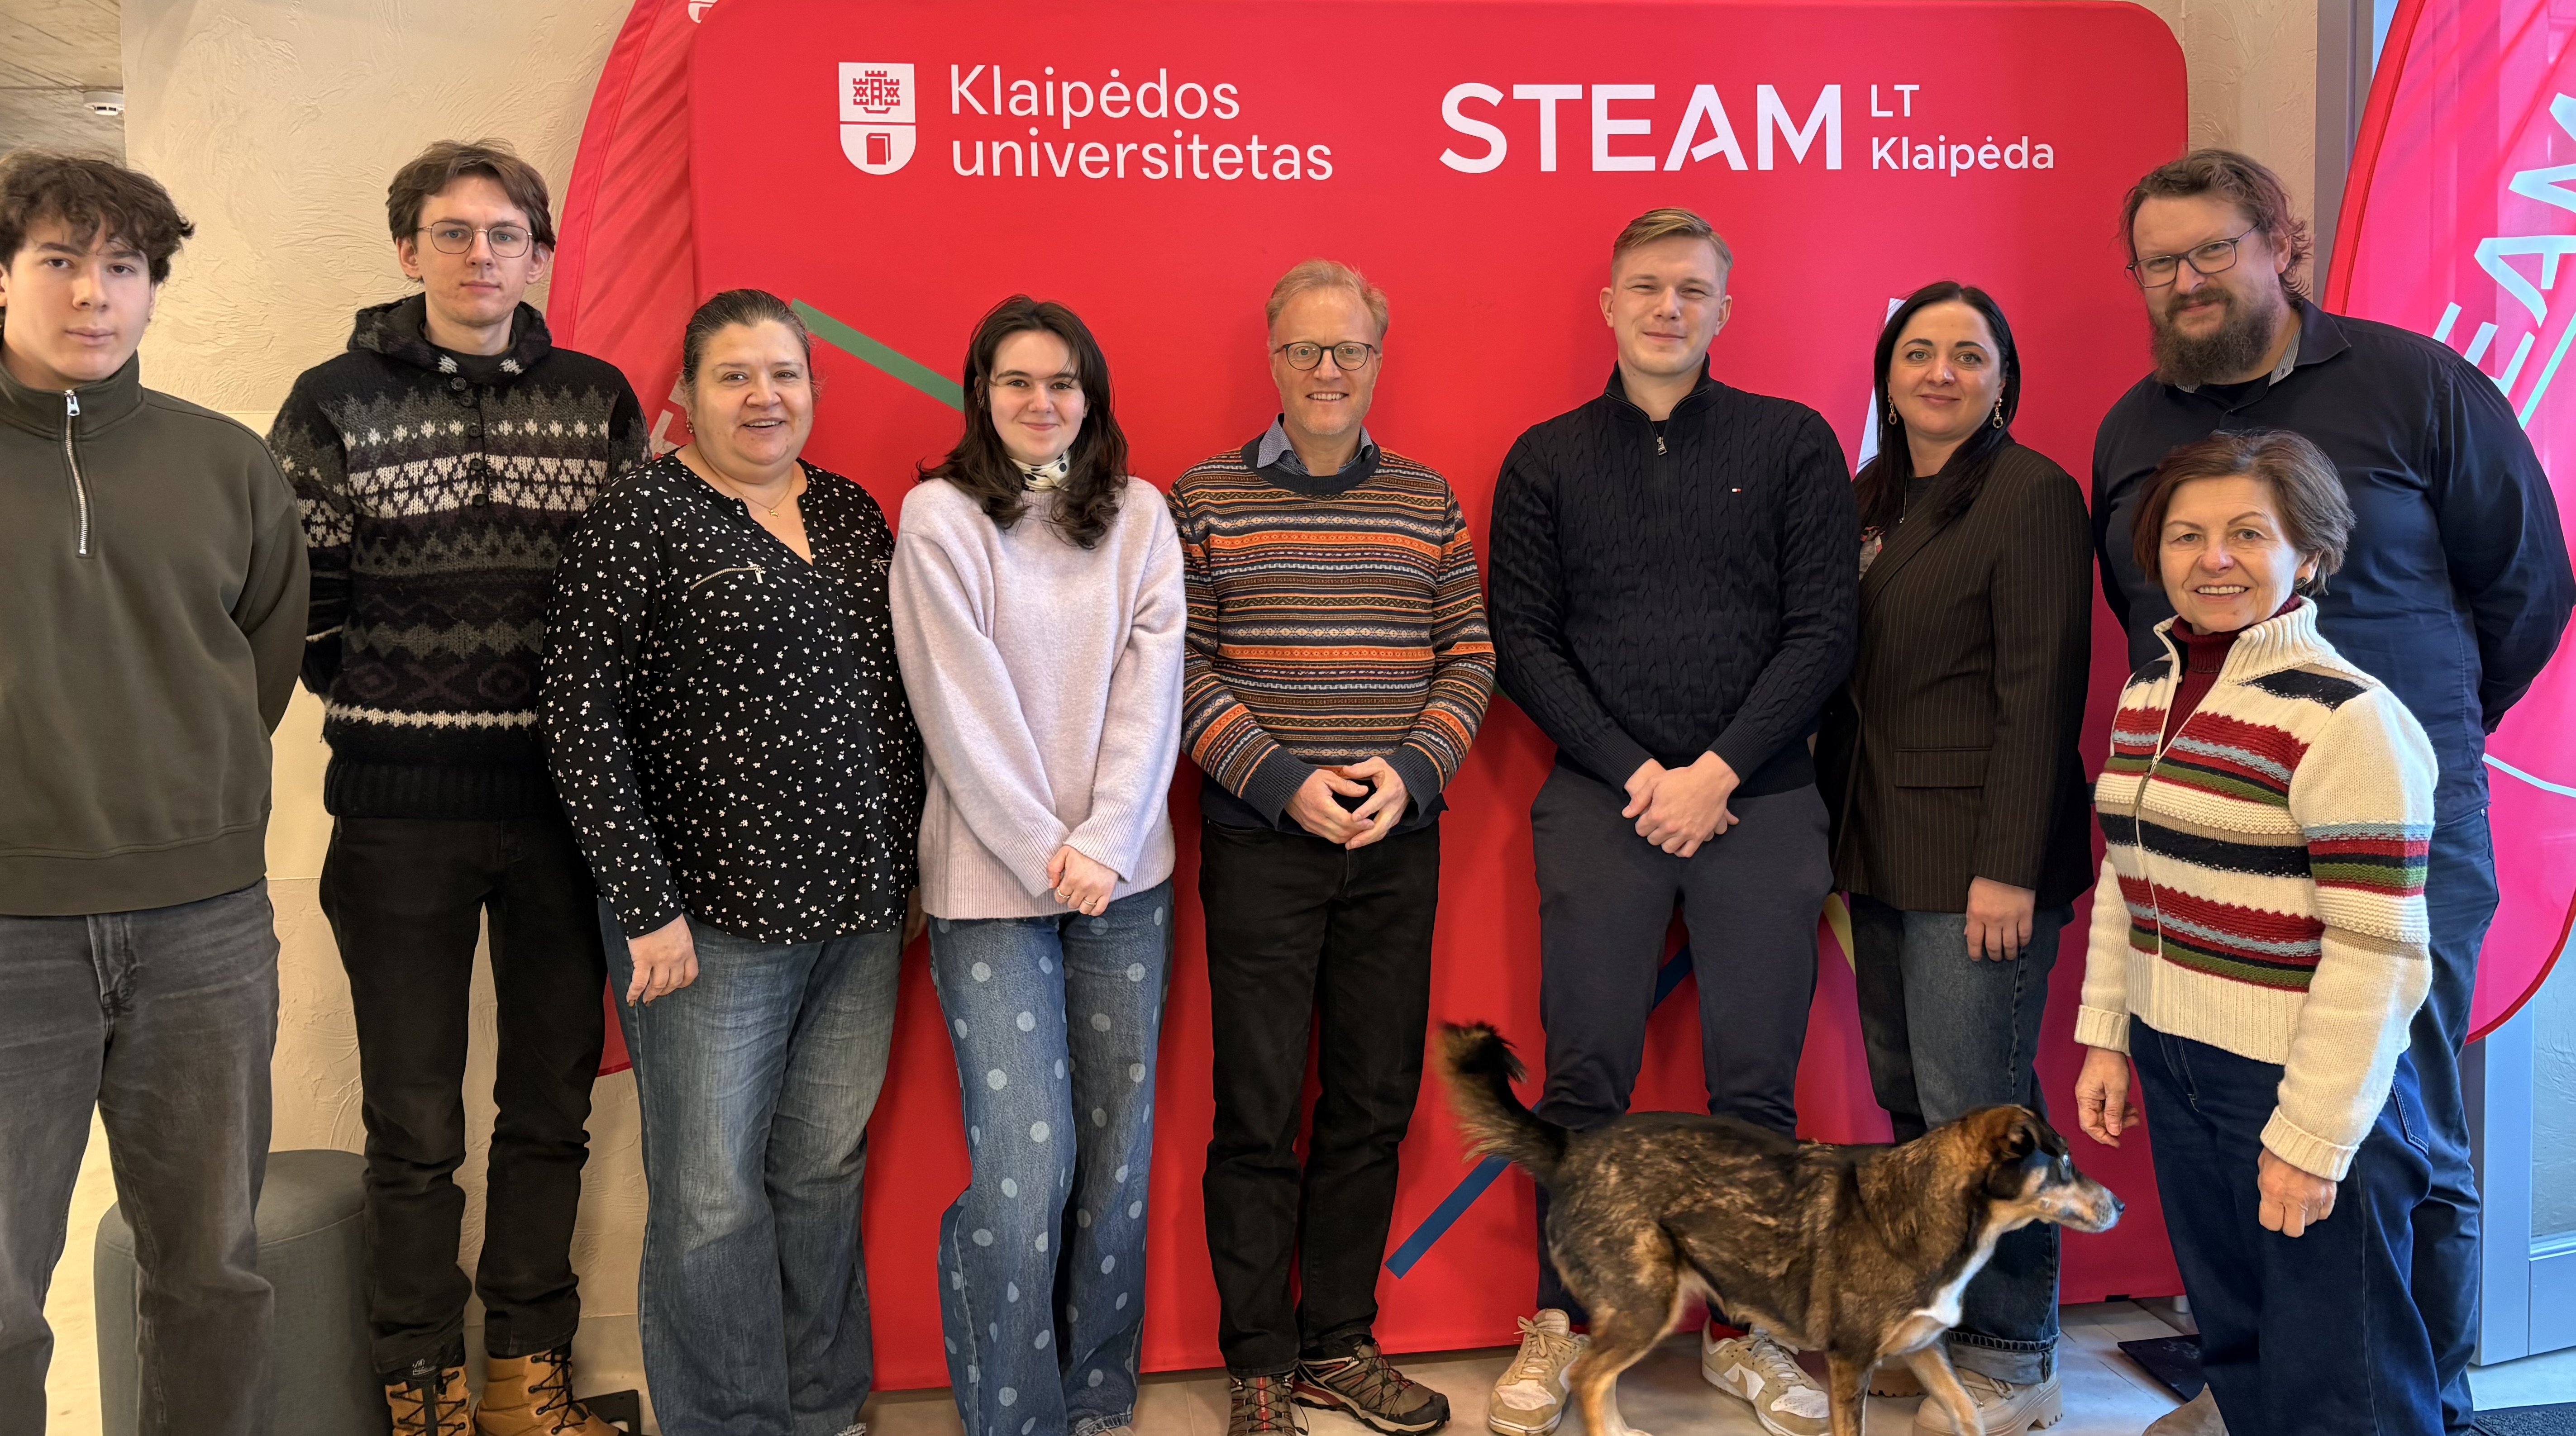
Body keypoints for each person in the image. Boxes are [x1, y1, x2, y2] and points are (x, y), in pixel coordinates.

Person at [2092, 148, 2575, 1436]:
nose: (2186, 280)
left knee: (2392, 1134)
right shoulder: (2133, 428)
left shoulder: (2417, 386)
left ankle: (2423, 1404)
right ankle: (2267, 1398)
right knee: (2234, 1145)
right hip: (2212, 840)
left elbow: (2526, 588)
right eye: (2158, 262)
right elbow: (2146, 622)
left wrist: (2415, 739)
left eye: (2212, 249)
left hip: (2394, 831)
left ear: (2281, 244)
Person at [267, 138, 647, 1436]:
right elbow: (300, 611)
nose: (480, 255)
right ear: (407, 249)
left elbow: (626, 603)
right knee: (414, 1121)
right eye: (452, 232)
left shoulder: (598, 400)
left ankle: (523, 1380)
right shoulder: (330, 402)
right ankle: (419, 1385)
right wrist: (405, 711)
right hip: (397, 813)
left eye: (504, 234)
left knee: (548, 1108)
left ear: (539, 254)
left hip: (563, 811)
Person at [1485, 206, 1858, 1436]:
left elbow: (1823, 631)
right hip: (1602, 799)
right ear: (1607, 304)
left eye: (1691, 289)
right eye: (1646, 286)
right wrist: (1640, 771)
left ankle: (1745, 1334)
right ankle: (1562, 1323)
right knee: (1583, 1076)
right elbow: (1522, 639)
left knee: (1753, 1084)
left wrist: (1717, 770)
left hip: (1762, 800)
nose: (1667, 308)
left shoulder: (1790, 442)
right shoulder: (1545, 458)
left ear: (1722, 309)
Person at [540, 288, 923, 1436]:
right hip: (705, 922)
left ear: (814, 387)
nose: (764, 397)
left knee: (821, 1172)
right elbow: (580, 720)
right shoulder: (640, 518)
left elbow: (899, 699)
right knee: (710, 1197)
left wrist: (908, 865)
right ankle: (729, 1422)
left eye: (784, 374)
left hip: (859, 911)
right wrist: (641, 903)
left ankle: (823, 1408)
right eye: (734, 376)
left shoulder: (851, 513)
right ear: (685, 396)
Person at [0, 152, 307, 1436]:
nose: (93, 294)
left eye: (122, 267)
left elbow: (260, 669)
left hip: (207, 929)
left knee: (212, 1275)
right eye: (59, 261)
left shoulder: (229, 465)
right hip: (9, 933)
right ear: (4, 276)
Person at [1174, 259, 1495, 1436]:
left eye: (1349, 349)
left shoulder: (1426, 500)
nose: (1326, 369)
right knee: (1258, 1110)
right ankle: (1259, 1360)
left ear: (1376, 359)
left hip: (1395, 842)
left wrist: (1408, 773)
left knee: (1371, 1101)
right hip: (1263, 843)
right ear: (1272, 359)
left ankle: (1336, 1342)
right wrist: (1283, 782)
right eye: (1305, 349)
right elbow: (1180, 667)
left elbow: (1468, 655)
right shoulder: (1201, 498)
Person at [2074, 429, 2442, 1434]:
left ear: (2309, 554)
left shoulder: (2349, 720)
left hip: (2300, 1078)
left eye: (2247, 533)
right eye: (2186, 536)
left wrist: (2312, 1137)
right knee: (2236, 1346)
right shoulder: (2150, 691)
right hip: (2177, 1060)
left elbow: (2378, 954)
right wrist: (2108, 1035)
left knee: (2344, 1381)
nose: (2214, 559)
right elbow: (2128, 874)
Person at [888, 295, 1185, 1436]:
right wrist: (1043, 852)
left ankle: (1097, 1396)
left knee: (1116, 1155)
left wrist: (1102, 843)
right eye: (1016, 381)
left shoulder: (1140, 516)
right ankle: (1013, 1416)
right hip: (989, 887)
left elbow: (1151, 690)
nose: (1041, 401)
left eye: (1062, 382)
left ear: (1090, 398)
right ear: (980, 394)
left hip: (1124, 883)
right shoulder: (940, 517)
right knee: (1025, 1168)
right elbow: (957, 703)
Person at [1814, 281, 2092, 1434]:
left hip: (1976, 857)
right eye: (1917, 352)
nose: (1940, 373)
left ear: (2001, 379)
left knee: (1984, 1114)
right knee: (1915, 1113)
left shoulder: (2031, 496)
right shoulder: (1868, 496)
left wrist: (2007, 865)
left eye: (1967, 355)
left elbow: (2040, 690)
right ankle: (1937, 1330)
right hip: (1875, 840)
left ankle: (2016, 1354)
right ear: (1885, 375)